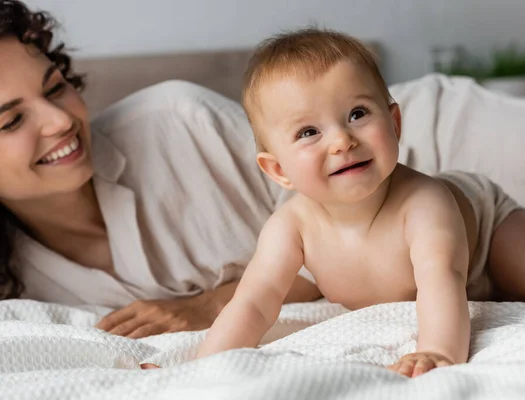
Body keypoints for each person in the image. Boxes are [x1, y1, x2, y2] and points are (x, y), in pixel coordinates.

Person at [193, 28, 525, 378]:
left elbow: (440, 280)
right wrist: (202, 367)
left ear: (395, 123)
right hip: (440, 261)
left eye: (357, 113)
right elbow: (253, 301)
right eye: (309, 132)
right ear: (278, 169)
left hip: (485, 231)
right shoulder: (290, 226)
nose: (342, 141)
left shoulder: (424, 203)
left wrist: (438, 352)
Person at [0, 0, 321, 339]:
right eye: (12, 121)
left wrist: (212, 305)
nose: (61, 120)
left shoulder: (182, 120)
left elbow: (346, 219)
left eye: (54, 88)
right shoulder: (16, 290)